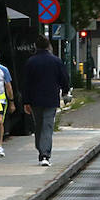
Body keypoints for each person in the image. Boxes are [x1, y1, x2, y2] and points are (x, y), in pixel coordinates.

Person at [22, 35, 70, 166]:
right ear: (48, 45)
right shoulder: (56, 61)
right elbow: (64, 78)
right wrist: (65, 92)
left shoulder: (31, 62)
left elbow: (26, 83)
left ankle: (40, 148)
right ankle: (45, 154)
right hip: (51, 98)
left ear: (36, 46)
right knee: (47, 127)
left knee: (38, 126)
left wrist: (26, 101)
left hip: (35, 99)